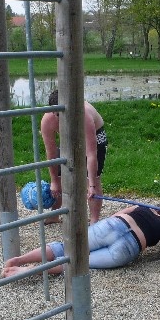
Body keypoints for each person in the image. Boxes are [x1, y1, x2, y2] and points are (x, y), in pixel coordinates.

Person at [1, 205, 160, 278]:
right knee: (79, 263)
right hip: (129, 246)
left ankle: (19, 260)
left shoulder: (142, 207)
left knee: (66, 247)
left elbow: (116, 215)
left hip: (114, 226)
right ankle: (26, 271)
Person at [40, 89, 108, 225]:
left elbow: (91, 154)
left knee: (92, 180)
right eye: (59, 115)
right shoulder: (47, 120)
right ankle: (55, 214)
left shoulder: (84, 116)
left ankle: (94, 221)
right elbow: (51, 153)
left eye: (66, 114)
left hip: (94, 137)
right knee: (60, 174)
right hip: (69, 138)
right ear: (53, 111)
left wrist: (92, 185)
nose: (63, 119)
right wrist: (54, 180)